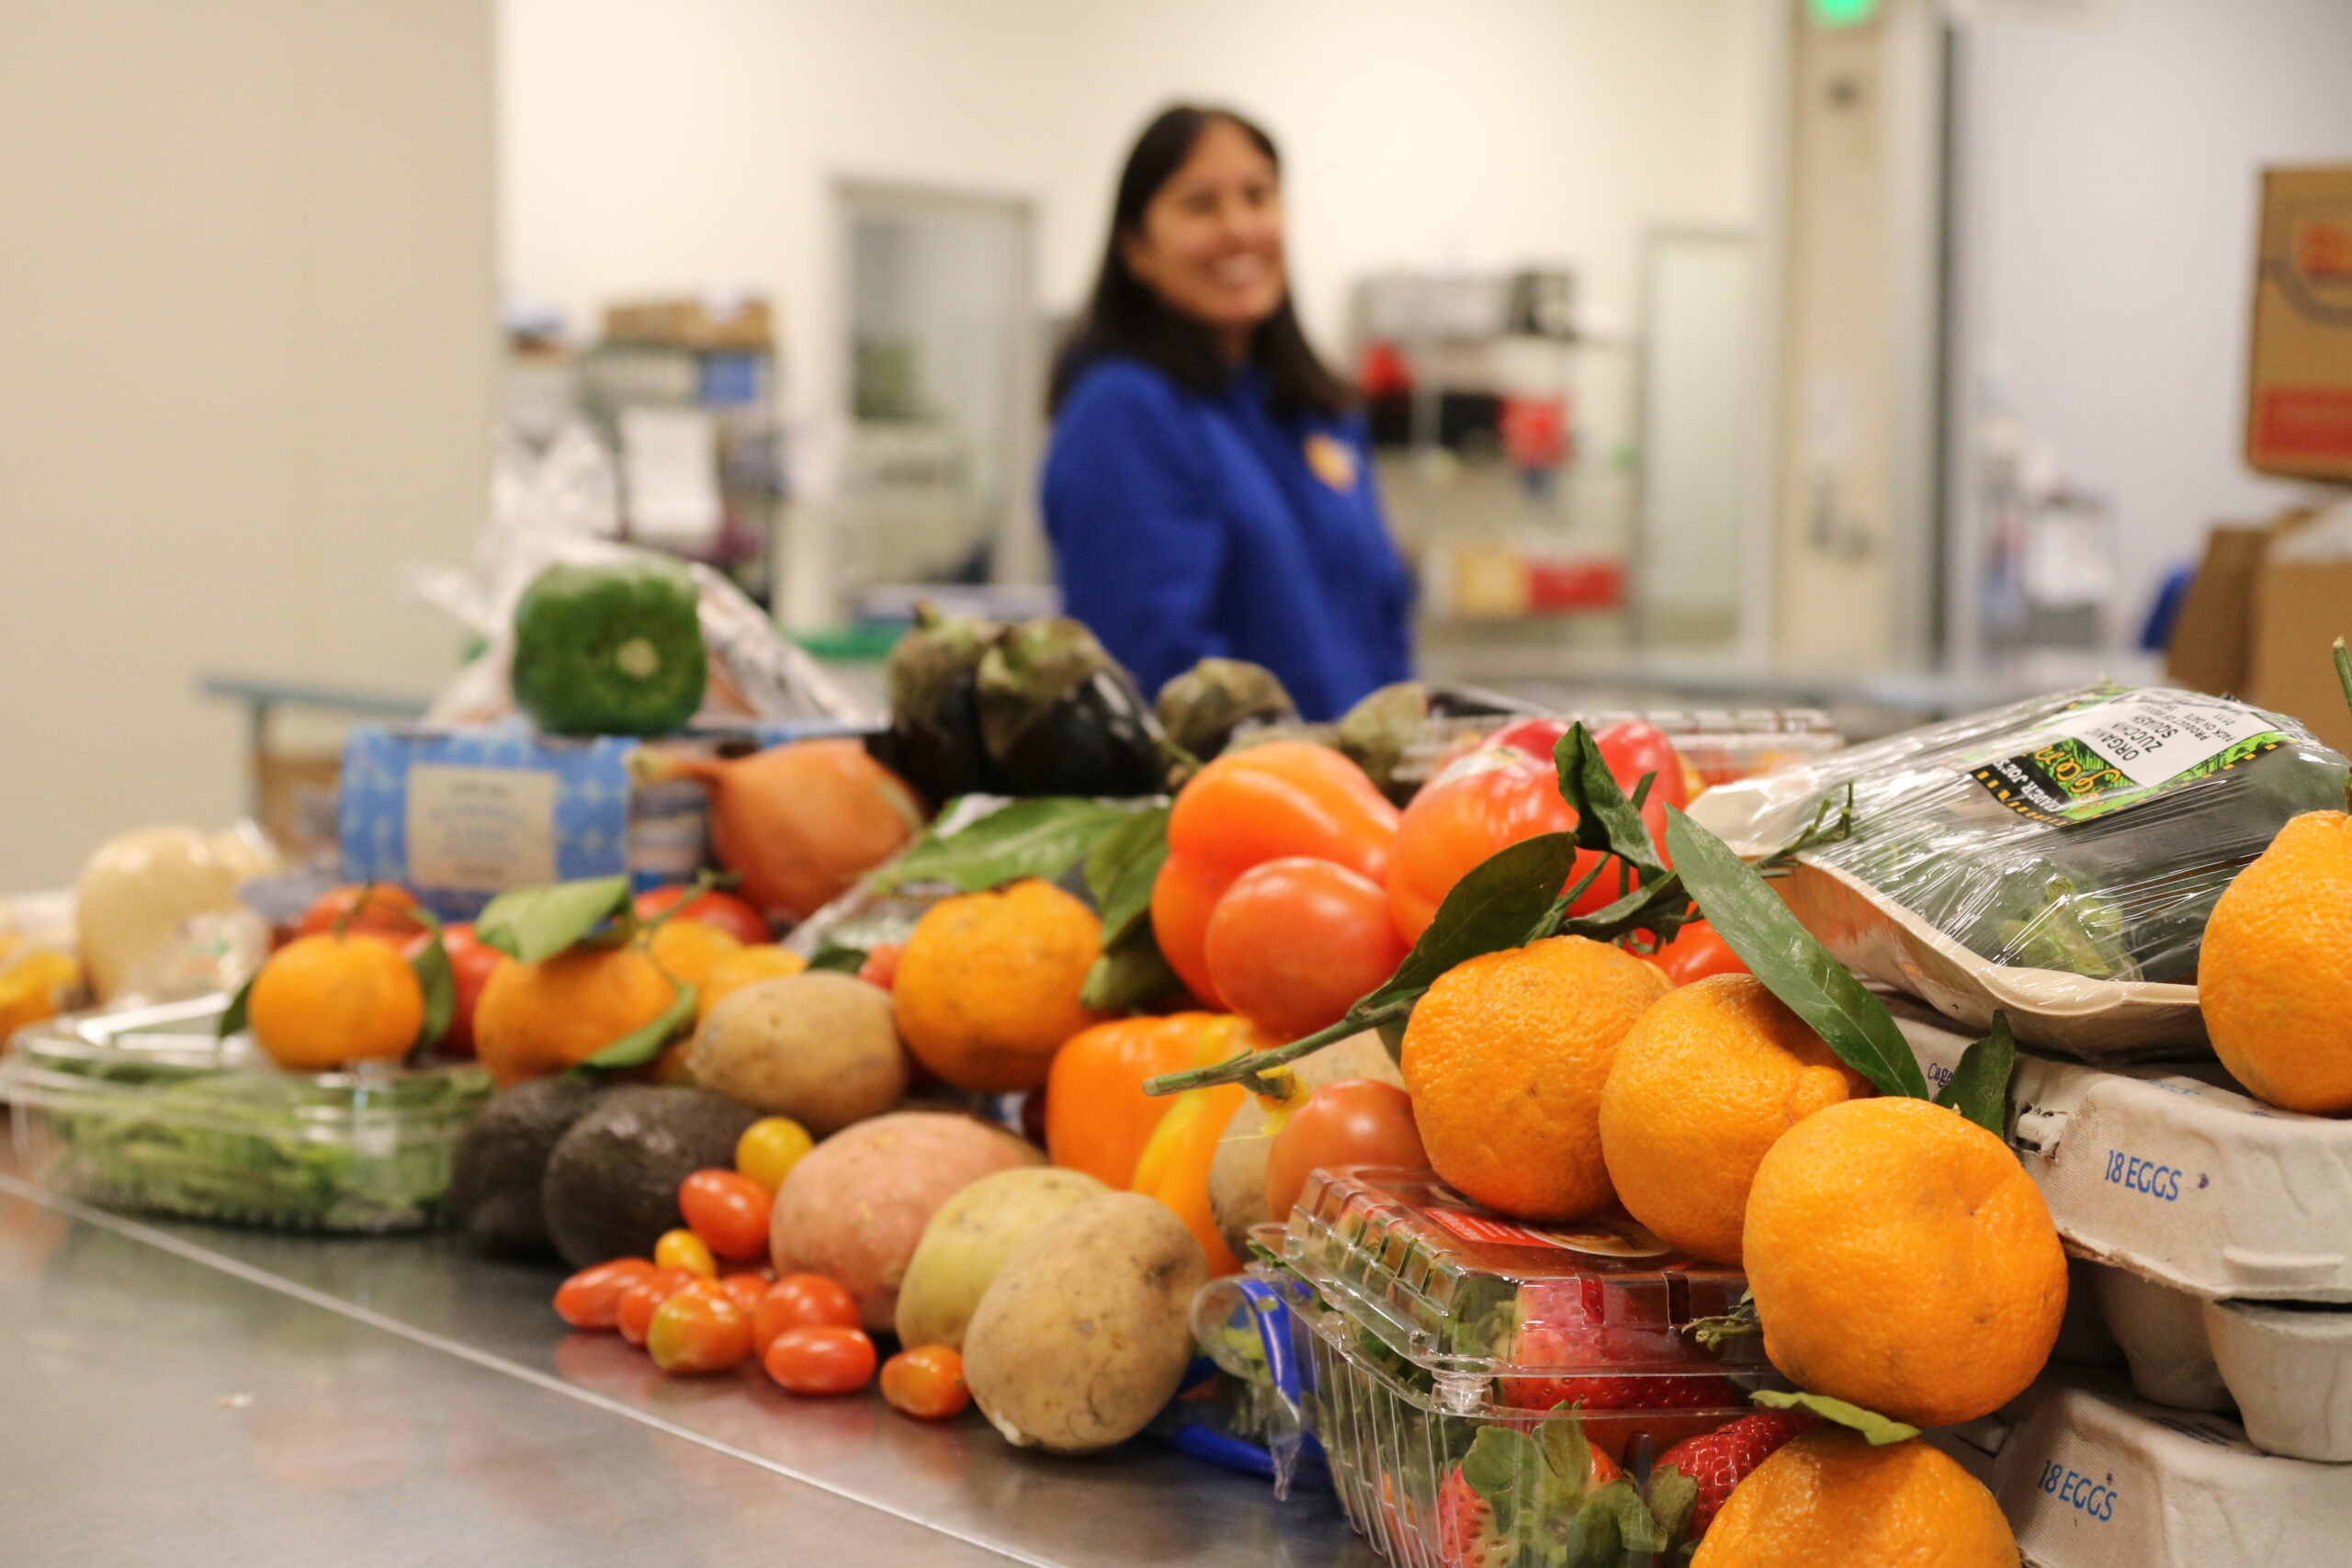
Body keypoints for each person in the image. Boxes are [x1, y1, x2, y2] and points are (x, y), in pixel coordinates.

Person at [1041, 105, 1413, 722]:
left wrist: (1402, 752)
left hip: (1367, 776)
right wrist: (1299, 766)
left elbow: (1383, 623)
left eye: (1257, 196)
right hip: (1239, 781)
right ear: (1137, 249)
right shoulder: (1125, 413)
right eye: (1200, 205)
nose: (1238, 227)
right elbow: (1154, 664)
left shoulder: (1321, 414)